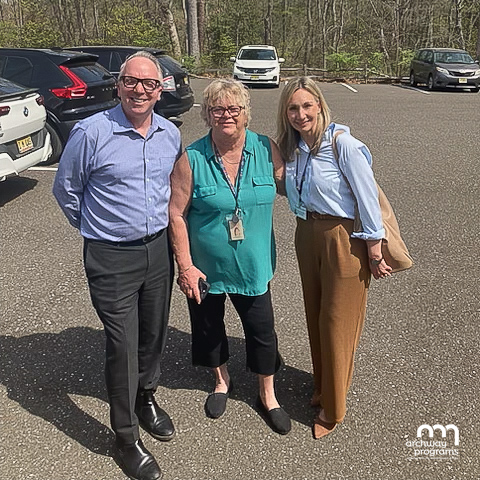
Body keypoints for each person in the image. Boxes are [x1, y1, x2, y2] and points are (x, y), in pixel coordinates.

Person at [53, 51, 181, 480]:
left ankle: (145, 397)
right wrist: (97, 230)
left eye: (149, 83)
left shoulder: (169, 133)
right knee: (123, 344)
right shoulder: (92, 132)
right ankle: (125, 439)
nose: (140, 90)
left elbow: (173, 190)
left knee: (153, 333)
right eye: (131, 81)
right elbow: (66, 190)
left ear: (160, 90)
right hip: (111, 255)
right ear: (118, 84)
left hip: (157, 250)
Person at [168, 79, 291, 435]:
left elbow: (293, 185)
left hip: (254, 266)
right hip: (206, 268)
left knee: (261, 330)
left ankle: (267, 395)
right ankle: (221, 381)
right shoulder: (192, 158)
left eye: (233, 108)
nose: (226, 115)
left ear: (245, 113)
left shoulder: (266, 148)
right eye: (217, 109)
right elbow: (176, 214)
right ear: (207, 115)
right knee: (208, 327)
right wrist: (186, 266)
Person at [277, 77, 392, 439]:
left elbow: (367, 198)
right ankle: (322, 387)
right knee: (315, 314)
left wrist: (374, 248)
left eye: (307, 106)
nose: (300, 114)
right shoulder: (295, 148)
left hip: (344, 238)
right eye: (293, 108)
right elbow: (292, 190)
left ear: (320, 105)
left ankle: (333, 408)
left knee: (336, 322)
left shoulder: (343, 145)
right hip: (306, 232)